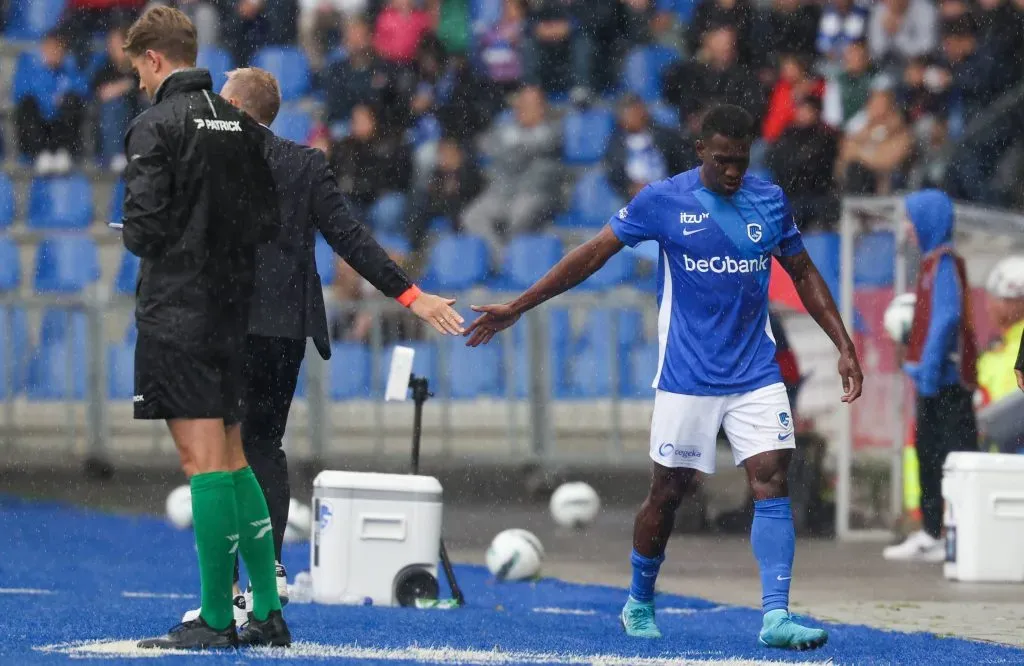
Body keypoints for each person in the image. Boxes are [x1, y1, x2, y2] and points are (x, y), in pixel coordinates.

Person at [464, 104, 862, 650]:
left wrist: (843, 342)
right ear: (700, 152)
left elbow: (804, 271)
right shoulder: (662, 201)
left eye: (740, 162)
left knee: (772, 478)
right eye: (722, 160)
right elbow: (592, 255)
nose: (731, 172)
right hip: (687, 377)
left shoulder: (768, 201)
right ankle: (638, 602)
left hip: (754, 373)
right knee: (667, 493)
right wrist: (520, 304)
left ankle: (775, 615)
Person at [175, 67, 463, 628]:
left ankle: (230, 593)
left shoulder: (211, 155)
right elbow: (350, 238)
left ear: (232, 103)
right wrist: (412, 295)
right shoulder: (305, 163)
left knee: (221, 456)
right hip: (284, 328)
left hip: (230, 324)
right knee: (264, 447)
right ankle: (269, 578)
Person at [117, 6, 286, 650]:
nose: (137, 82)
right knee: (236, 457)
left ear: (156, 59)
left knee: (202, 463)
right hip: (231, 309)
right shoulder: (239, 124)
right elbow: (265, 221)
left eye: (138, 69)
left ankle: (217, 618)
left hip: (178, 311)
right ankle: (266, 611)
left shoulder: (155, 122)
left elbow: (145, 231)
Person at [883, 189, 978, 563]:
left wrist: (928, 370)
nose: (907, 228)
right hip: (938, 382)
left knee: (949, 457)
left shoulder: (943, 265)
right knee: (930, 454)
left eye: (911, 220)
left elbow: (947, 319)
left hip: (946, 385)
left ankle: (950, 533)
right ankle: (935, 532)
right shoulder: (932, 264)